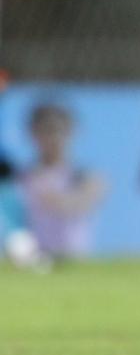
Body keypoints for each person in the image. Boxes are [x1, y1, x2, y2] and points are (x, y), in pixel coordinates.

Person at [20, 104, 106, 261]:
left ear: (72, 132)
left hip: (74, 261)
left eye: (60, 131)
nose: (54, 138)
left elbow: (84, 203)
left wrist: (54, 199)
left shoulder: (84, 176)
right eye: (46, 131)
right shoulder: (21, 178)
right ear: (33, 134)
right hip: (33, 263)